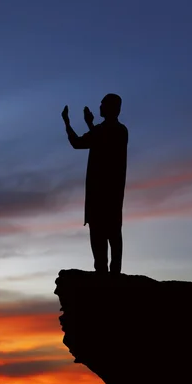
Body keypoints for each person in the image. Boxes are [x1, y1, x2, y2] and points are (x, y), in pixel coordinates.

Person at [62, 93, 128, 274]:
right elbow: (78, 143)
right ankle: (103, 278)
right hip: (96, 196)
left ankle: (114, 279)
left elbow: (104, 143)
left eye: (103, 104)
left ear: (112, 108)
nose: (99, 106)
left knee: (113, 236)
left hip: (110, 195)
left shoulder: (120, 131)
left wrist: (88, 124)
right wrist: (67, 123)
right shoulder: (101, 130)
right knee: (99, 242)